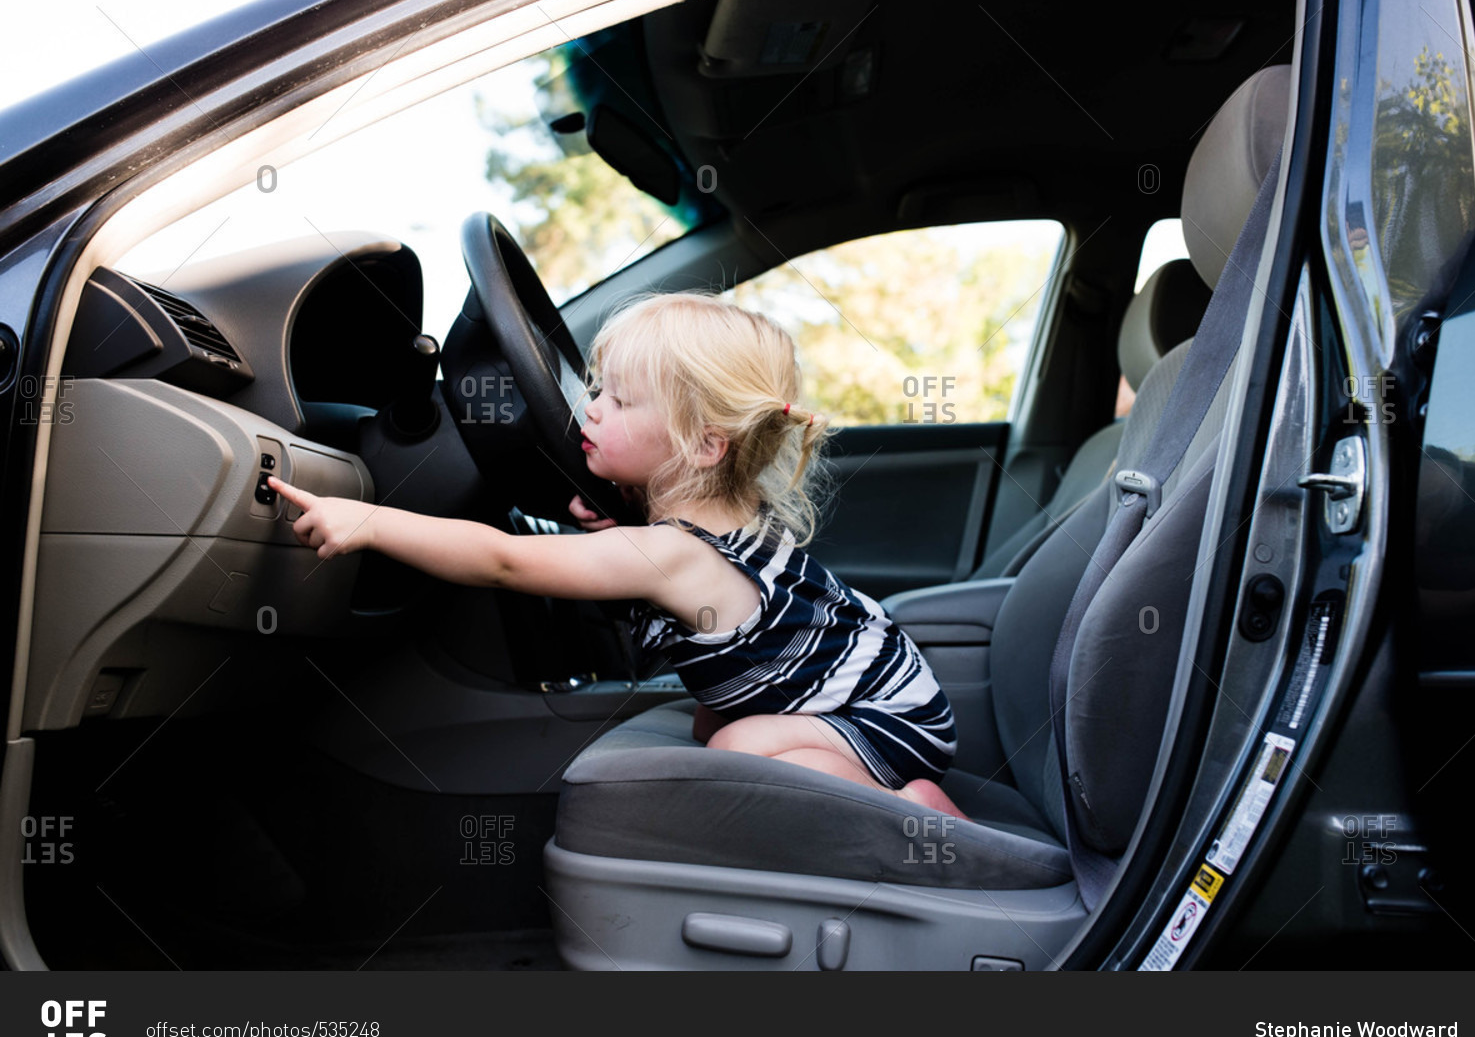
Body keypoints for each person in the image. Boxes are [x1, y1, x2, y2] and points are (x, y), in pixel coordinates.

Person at [266, 292, 965, 817]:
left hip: (886, 718)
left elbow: (504, 560)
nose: (590, 409)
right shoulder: (710, 521)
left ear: (701, 445)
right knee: (711, 722)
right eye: (596, 388)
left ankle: (913, 808)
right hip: (889, 689)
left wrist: (369, 520)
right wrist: (619, 525)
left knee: (732, 750)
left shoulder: (669, 553)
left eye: (620, 400)